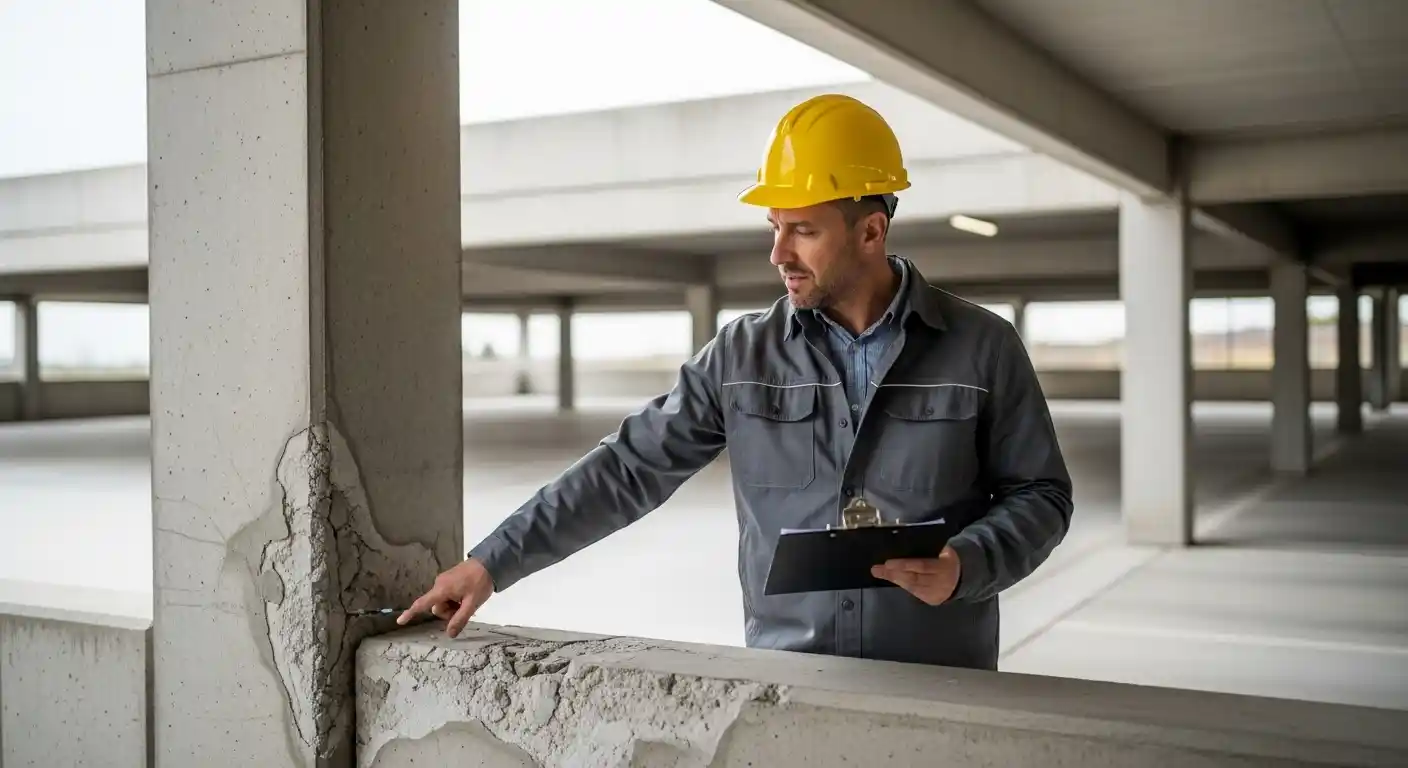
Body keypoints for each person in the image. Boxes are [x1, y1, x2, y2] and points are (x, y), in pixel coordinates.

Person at [399, 93, 1073, 671]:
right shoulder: (742, 357)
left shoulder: (981, 348)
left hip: (942, 686)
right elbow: (626, 469)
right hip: (788, 685)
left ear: (872, 230)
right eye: (774, 227)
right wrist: (491, 563)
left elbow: (1041, 494)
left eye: (803, 231)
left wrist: (966, 563)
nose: (778, 254)